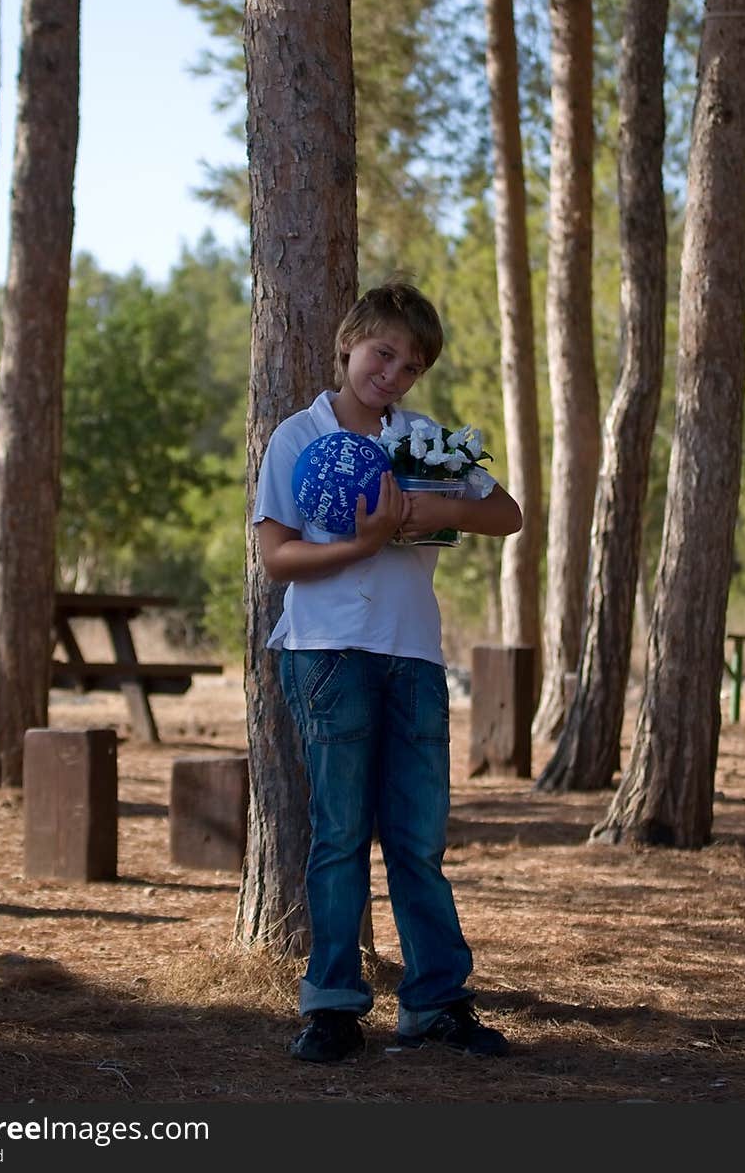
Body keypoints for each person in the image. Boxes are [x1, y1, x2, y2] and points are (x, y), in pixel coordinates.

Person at [252, 279, 523, 1065]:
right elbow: (278, 558)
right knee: (339, 835)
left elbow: (505, 513)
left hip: (412, 655)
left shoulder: (425, 440)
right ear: (348, 344)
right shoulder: (297, 439)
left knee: (416, 839)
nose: (393, 374)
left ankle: (436, 1001)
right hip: (328, 653)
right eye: (383, 353)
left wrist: (439, 510)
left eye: (410, 366)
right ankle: (332, 1006)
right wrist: (363, 544)